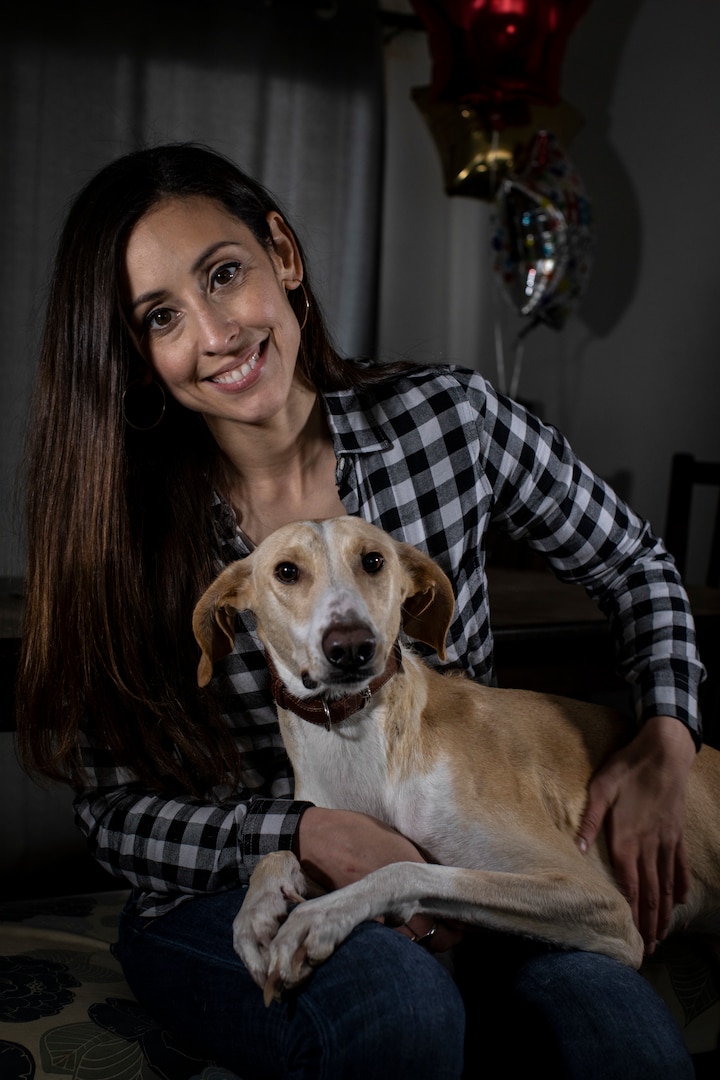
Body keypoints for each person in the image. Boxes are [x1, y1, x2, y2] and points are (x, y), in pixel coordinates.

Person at [15, 142, 703, 1080]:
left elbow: (636, 563)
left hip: (465, 857)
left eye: (225, 275)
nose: (215, 332)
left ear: (283, 258)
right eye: (163, 317)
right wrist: (298, 832)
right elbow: (111, 814)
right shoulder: (121, 531)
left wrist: (667, 730)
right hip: (221, 890)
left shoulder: (449, 418)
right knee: (402, 1004)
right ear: (138, 358)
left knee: (619, 1035)